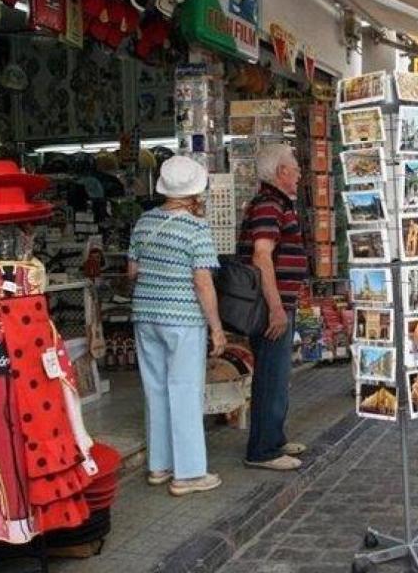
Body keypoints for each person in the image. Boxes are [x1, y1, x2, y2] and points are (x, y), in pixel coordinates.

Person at [129, 155, 226, 496]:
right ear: (194, 191)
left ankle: (160, 466)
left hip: (145, 315)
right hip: (182, 318)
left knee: (155, 390)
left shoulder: (143, 222)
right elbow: (203, 281)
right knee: (185, 391)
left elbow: (132, 272)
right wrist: (216, 326)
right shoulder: (196, 228)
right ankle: (188, 473)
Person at [237, 143, 310, 471]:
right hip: (271, 305)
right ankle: (263, 450)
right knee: (271, 375)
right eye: (294, 168)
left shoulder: (275, 203)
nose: (298, 174)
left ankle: (274, 438)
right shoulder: (269, 204)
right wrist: (276, 307)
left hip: (277, 302)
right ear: (281, 172)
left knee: (277, 376)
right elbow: (261, 256)